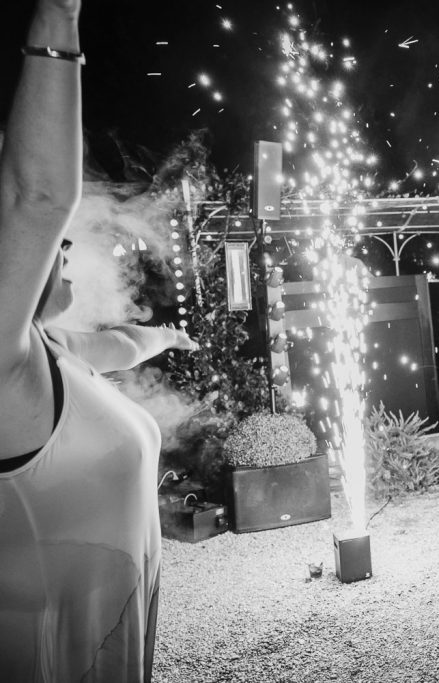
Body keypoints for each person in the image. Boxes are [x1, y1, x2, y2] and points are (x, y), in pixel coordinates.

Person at [0, 1, 197, 681]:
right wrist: (59, 15)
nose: (63, 251)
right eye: (51, 245)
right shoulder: (5, 363)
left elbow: (119, 346)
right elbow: (37, 197)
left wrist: (166, 335)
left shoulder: (50, 348)